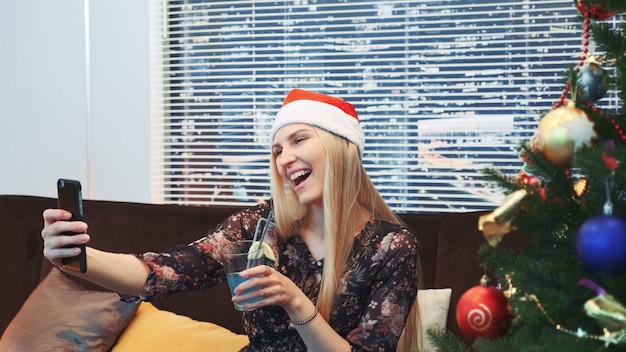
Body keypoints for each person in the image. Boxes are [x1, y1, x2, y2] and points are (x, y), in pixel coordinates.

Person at [42, 89, 422, 351]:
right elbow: (164, 270)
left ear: (341, 149)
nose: (284, 158)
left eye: (299, 140)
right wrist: (80, 259)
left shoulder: (391, 247)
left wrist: (296, 302)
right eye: (277, 149)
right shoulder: (262, 227)